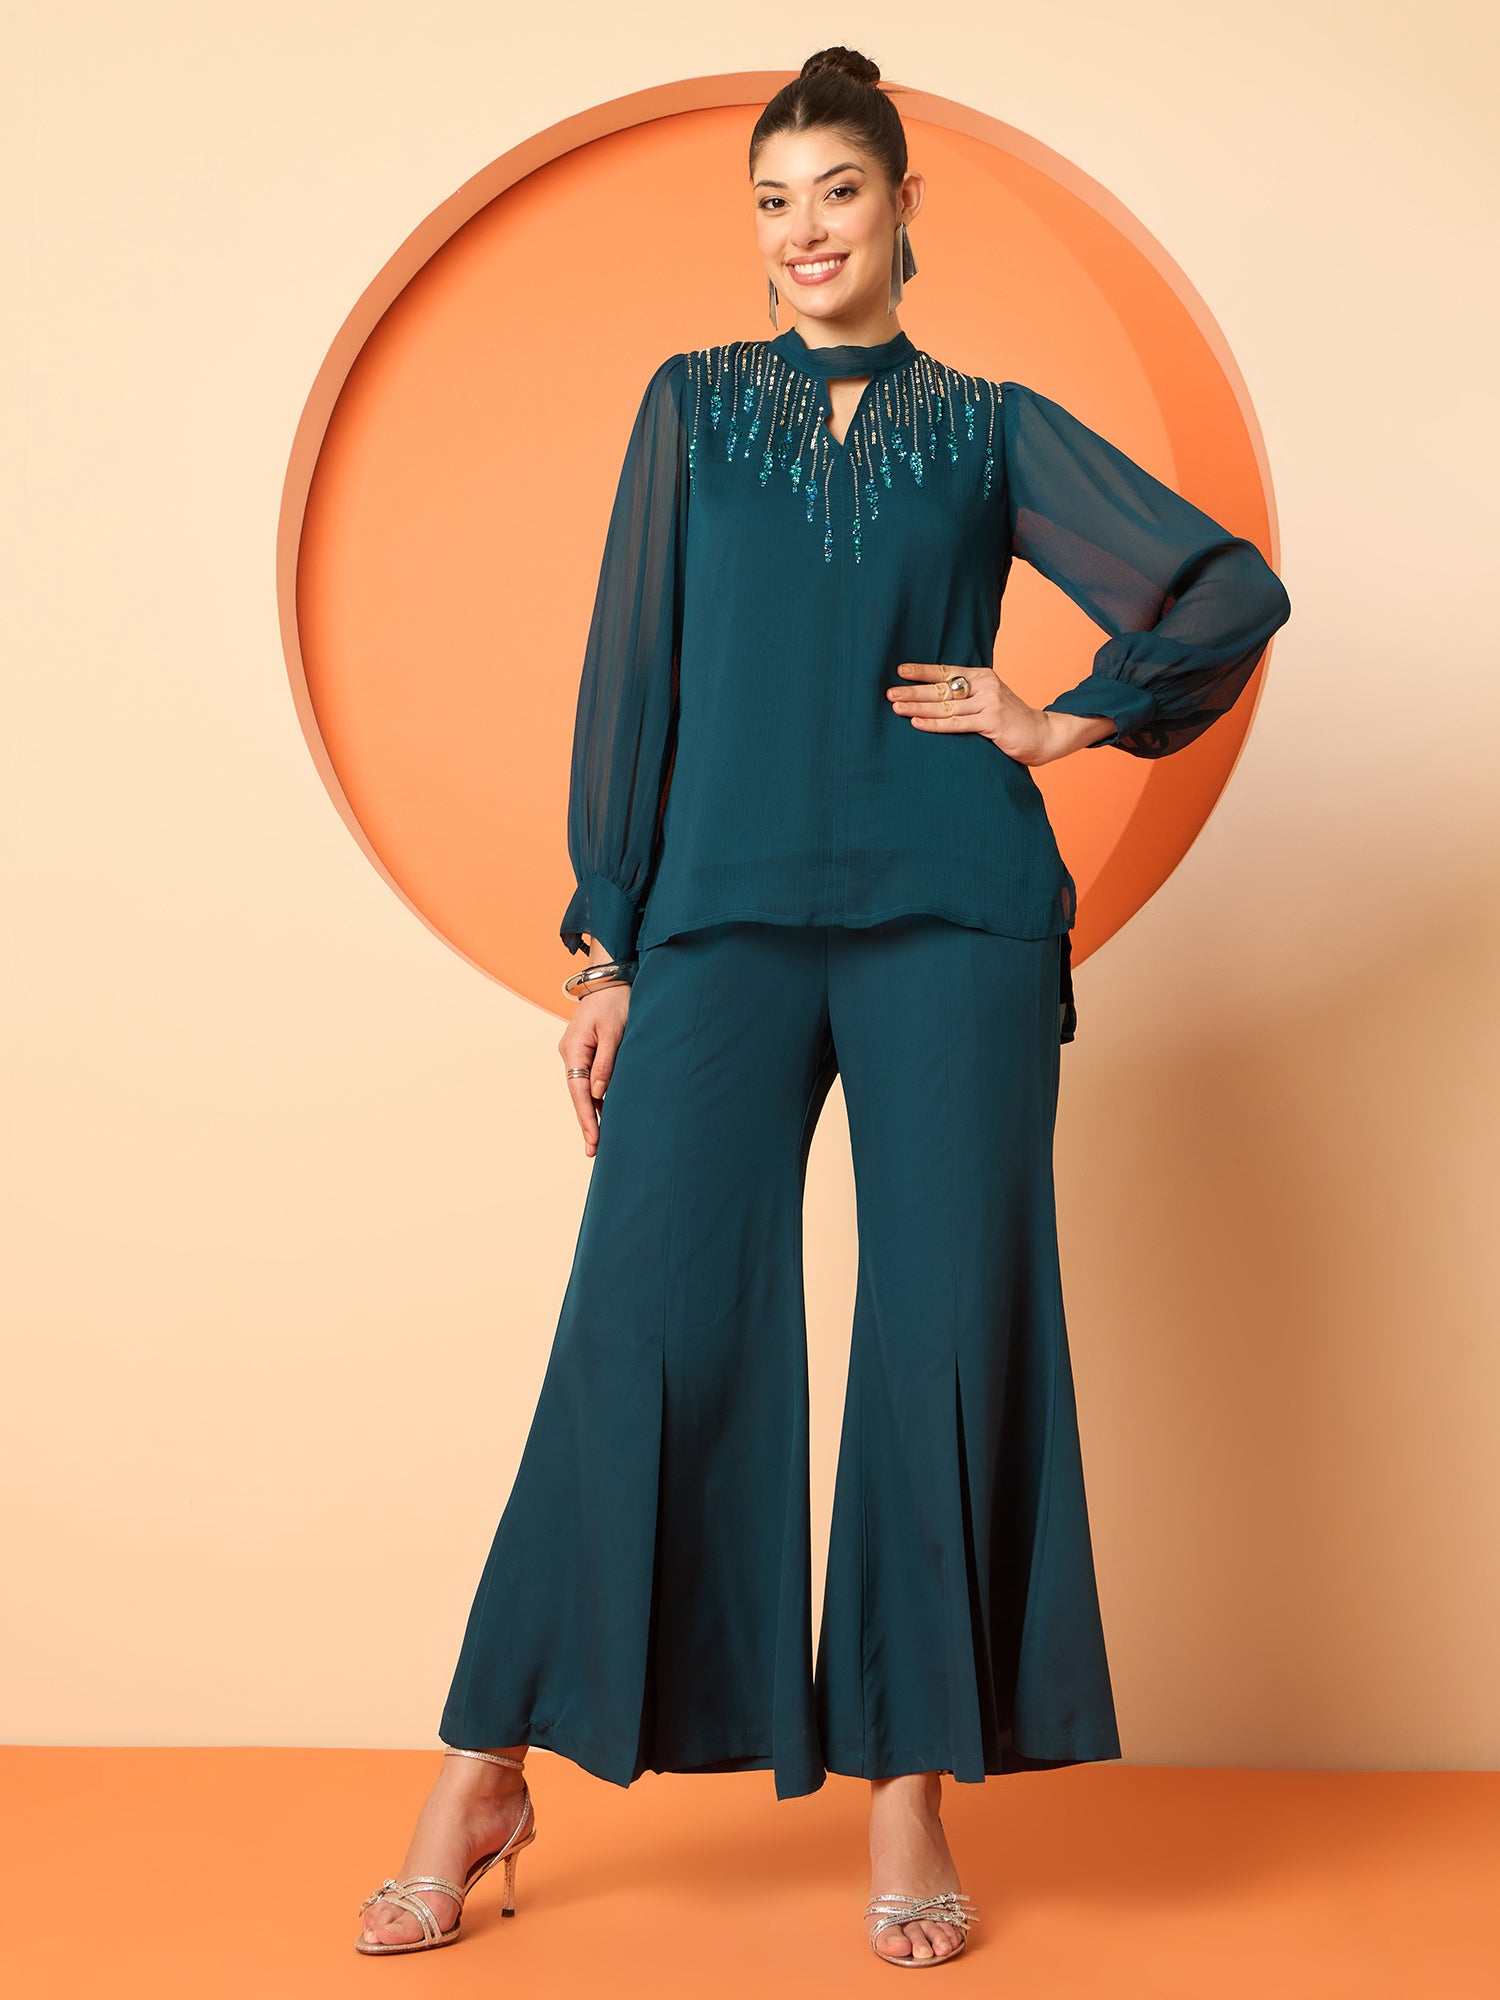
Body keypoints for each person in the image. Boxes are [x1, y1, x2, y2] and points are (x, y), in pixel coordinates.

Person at [355, 45, 1292, 1970]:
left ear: (903, 207)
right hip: (721, 920)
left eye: (837, 192)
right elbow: (632, 682)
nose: (804, 231)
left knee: (944, 1337)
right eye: (773, 201)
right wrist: (607, 949)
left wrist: (1066, 718)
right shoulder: (693, 408)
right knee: (643, 1317)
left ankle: (908, 1790)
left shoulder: (989, 427)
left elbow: (1224, 590)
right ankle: (485, 1768)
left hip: (958, 917)